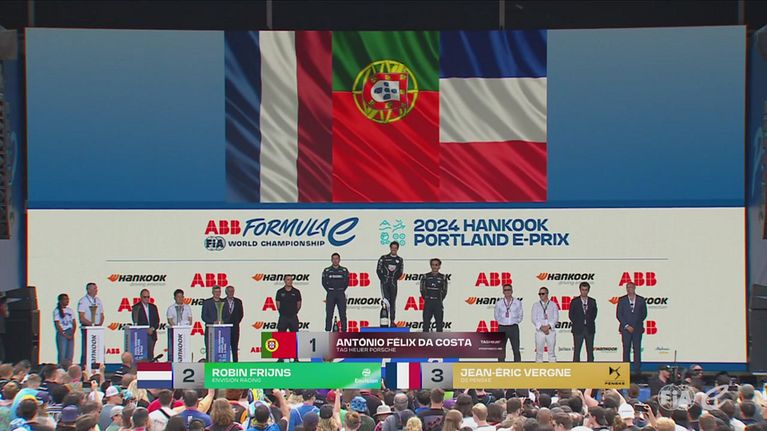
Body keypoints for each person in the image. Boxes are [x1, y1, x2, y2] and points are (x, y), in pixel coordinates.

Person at [616, 282, 647, 375]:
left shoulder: (641, 300)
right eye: (627, 287)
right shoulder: (622, 300)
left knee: (637, 349)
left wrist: (635, 325)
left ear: (634, 288)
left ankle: (637, 370)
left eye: (631, 287)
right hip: (625, 329)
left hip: (637, 329)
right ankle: (626, 370)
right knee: (626, 349)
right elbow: (619, 315)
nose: (629, 289)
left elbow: (644, 314)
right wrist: (627, 326)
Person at [568, 282, 597, 362]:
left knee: (590, 350)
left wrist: (587, 321)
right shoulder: (574, 301)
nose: (584, 292)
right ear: (580, 290)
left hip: (589, 329)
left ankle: (590, 366)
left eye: (586, 290)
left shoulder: (592, 301)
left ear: (588, 290)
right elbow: (571, 315)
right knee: (577, 350)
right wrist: (579, 323)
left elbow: (594, 314)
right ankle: (576, 367)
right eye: (582, 290)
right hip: (578, 329)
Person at [77, 282, 104, 367]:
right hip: (87, 329)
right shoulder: (83, 301)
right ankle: (84, 367)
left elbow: (102, 315)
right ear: (89, 290)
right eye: (94, 288)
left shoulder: (98, 300)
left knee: (98, 348)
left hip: (97, 329)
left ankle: (98, 366)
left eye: (96, 288)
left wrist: (99, 325)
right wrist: (92, 325)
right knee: (87, 349)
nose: (96, 290)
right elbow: (81, 317)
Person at [494, 284, 523, 362]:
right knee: (501, 350)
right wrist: (503, 322)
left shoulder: (517, 302)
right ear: (503, 292)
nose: (507, 291)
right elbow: (496, 316)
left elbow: (520, 315)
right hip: (502, 328)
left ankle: (517, 367)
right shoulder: (499, 303)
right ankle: (501, 366)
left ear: (512, 291)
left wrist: (515, 321)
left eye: (509, 290)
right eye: (505, 290)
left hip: (513, 328)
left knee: (516, 349)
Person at [376, 241, 404, 323]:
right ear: (390, 248)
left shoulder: (400, 260)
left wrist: (394, 278)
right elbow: (378, 270)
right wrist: (383, 279)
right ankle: (384, 320)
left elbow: (400, 272)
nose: (394, 249)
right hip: (385, 282)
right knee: (385, 301)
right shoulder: (384, 258)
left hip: (393, 283)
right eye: (392, 247)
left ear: (397, 249)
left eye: (395, 248)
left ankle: (392, 321)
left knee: (393, 301)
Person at [531, 287, 559, 362]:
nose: (541, 295)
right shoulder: (536, 305)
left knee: (551, 352)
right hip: (540, 332)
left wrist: (548, 327)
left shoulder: (553, 305)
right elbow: (533, 318)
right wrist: (542, 327)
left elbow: (556, 318)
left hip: (550, 332)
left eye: (542, 293)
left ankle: (552, 367)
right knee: (539, 353)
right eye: (539, 294)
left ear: (547, 294)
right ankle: (539, 367)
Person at [323, 253, 349, 332]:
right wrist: (330, 290)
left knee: (343, 314)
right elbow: (324, 282)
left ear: (339, 260)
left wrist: (341, 290)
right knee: (329, 314)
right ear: (331, 260)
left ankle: (344, 331)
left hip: (340, 293)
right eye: (333, 259)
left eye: (336, 258)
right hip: (331, 293)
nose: (335, 260)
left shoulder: (344, 270)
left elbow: (346, 282)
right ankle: (327, 331)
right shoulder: (327, 270)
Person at [202, 286, 231, 358]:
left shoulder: (225, 302)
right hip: (210, 330)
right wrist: (213, 322)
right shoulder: (207, 302)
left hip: (223, 331)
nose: (217, 293)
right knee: (210, 350)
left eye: (219, 292)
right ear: (212, 292)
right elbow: (204, 316)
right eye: (216, 292)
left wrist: (223, 321)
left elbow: (228, 316)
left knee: (222, 350)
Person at [131, 289, 160, 359]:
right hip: (141, 335)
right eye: (145, 297)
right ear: (141, 297)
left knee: (150, 355)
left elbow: (157, 320)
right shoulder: (136, 308)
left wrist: (152, 329)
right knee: (142, 357)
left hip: (152, 334)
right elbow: (135, 321)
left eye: (148, 297)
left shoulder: (153, 307)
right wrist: (145, 330)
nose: (147, 299)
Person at [420, 259, 448, 332]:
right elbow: (422, 289)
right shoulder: (425, 276)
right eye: (433, 265)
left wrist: (439, 299)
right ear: (430, 266)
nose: (434, 267)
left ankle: (439, 339)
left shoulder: (443, 277)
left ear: (439, 266)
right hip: (428, 303)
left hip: (438, 303)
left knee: (439, 325)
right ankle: (425, 339)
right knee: (426, 324)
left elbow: (444, 291)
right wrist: (427, 298)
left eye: (436, 265)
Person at [54, 294, 77, 367]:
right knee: (62, 353)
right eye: (65, 299)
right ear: (60, 301)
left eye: (68, 299)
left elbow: (74, 323)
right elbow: (57, 324)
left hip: (70, 331)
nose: (67, 301)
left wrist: (72, 333)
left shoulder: (70, 310)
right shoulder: (57, 311)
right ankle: (61, 368)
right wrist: (64, 334)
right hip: (62, 333)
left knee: (70, 353)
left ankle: (69, 368)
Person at [224, 286, 244, 362]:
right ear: (226, 292)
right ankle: (225, 363)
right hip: (224, 328)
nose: (231, 293)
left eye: (232, 291)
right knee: (224, 347)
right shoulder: (222, 301)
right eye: (229, 291)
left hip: (235, 328)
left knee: (235, 347)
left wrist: (235, 322)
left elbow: (241, 314)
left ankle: (235, 363)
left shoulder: (238, 301)